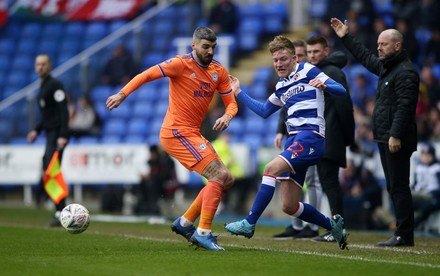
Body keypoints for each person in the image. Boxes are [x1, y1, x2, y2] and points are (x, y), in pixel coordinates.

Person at [106, 27, 238, 251]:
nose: (210, 51)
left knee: (227, 180)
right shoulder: (180, 64)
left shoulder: (219, 71)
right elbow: (146, 75)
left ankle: (185, 223)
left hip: (192, 133)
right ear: (193, 45)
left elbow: (231, 103)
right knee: (219, 174)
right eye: (206, 47)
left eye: (213, 47)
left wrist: (227, 115)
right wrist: (122, 94)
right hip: (176, 132)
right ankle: (203, 232)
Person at [224, 35, 349, 250]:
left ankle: (249, 223)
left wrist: (326, 85)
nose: (279, 64)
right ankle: (333, 226)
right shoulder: (282, 85)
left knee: (270, 168)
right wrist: (239, 93)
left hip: (311, 137)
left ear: (294, 58)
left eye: (283, 59)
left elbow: (342, 91)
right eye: (275, 61)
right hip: (293, 141)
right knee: (289, 206)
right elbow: (264, 111)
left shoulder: (309, 70)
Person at [330, 17, 419, 246]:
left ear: (397, 46)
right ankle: (402, 231)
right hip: (385, 137)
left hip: (395, 138)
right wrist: (346, 37)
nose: (378, 47)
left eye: (384, 44)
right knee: (393, 185)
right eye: (378, 44)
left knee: (398, 185)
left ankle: (404, 234)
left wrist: (396, 134)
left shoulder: (405, 72)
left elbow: (405, 107)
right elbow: (365, 57)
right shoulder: (388, 68)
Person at [272, 36, 355, 241]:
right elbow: (288, 106)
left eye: (315, 52)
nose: (311, 56)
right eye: (308, 53)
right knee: (309, 180)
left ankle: (330, 226)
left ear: (326, 51)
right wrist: (281, 129)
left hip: (325, 135)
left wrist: (348, 137)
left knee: (326, 182)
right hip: (305, 134)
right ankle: (303, 225)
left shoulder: (326, 73)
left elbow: (345, 105)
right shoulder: (298, 77)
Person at [26, 54, 69, 227]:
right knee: (48, 170)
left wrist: (63, 135)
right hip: (50, 133)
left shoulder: (55, 85)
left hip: (57, 134)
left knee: (52, 170)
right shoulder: (43, 86)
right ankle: (60, 209)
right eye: (37, 64)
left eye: (43, 64)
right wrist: (36, 130)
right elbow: (47, 115)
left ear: (49, 65)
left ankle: (61, 211)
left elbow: (63, 111)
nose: (40, 67)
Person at [137, 145, 178, 215]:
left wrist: (150, 177)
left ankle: (153, 207)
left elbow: (165, 175)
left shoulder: (167, 161)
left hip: (164, 183)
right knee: (143, 183)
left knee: (152, 184)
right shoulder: (152, 161)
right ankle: (144, 205)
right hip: (155, 182)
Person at [411, 143, 440, 229]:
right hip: (419, 194)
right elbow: (415, 184)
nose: (426, 157)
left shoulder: (437, 168)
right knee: (402, 196)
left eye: (428, 155)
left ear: (433, 156)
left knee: (423, 206)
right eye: (423, 154)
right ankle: (399, 222)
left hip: (432, 196)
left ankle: (412, 224)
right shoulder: (418, 168)